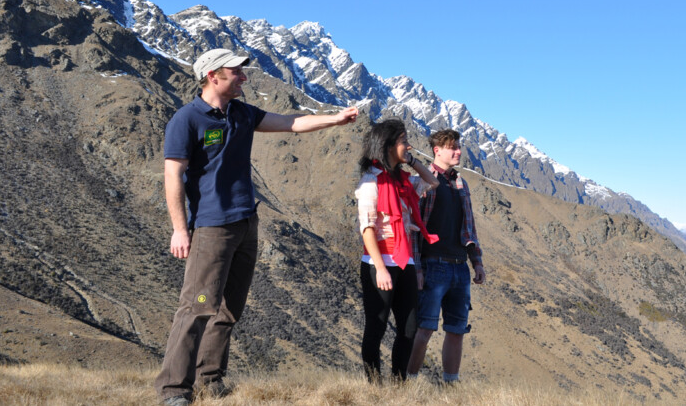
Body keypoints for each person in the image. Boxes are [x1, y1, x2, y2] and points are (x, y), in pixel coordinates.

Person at [155, 48, 358, 405]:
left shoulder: (243, 113)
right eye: (237, 72)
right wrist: (179, 229)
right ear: (213, 75)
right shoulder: (187, 119)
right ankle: (174, 390)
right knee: (198, 305)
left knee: (230, 308)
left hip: (247, 223)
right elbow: (173, 175)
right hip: (211, 229)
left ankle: (210, 380)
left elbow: (291, 123)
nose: (244, 77)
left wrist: (336, 119)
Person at [354, 119, 439, 382]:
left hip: (406, 263)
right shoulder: (370, 182)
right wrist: (380, 268)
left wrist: (411, 159)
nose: (409, 145)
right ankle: (373, 384)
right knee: (376, 327)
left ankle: (398, 385)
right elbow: (367, 228)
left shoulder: (404, 181)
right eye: (404, 141)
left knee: (409, 328)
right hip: (379, 263)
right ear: (389, 145)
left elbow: (432, 182)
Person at [406, 129, 485, 383]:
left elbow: (469, 227)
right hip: (433, 266)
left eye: (458, 146)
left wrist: (477, 263)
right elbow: (414, 231)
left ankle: (451, 385)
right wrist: (416, 269)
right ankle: (410, 382)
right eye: (452, 147)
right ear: (437, 150)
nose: (458, 151)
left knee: (457, 329)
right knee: (425, 327)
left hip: (460, 268)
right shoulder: (423, 182)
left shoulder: (462, 184)